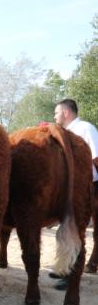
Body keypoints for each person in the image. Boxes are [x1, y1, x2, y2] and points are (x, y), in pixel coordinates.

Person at [53, 98, 98, 290]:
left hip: (88, 187)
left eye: (56, 112)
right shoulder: (67, 132)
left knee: (75, 230)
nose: (54, 116)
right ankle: (63, 268)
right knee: (65, 228)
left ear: (66, 112)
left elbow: (96, 157)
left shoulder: (86, 128)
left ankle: (71, 274)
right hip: (69, 187)